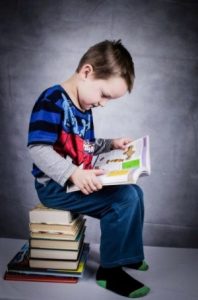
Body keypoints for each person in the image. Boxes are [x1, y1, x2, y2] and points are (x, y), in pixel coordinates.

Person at [27, 40, 150, 298]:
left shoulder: (84, 107)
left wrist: (110, 144)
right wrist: (72, 173)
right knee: (123, 200)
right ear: (86, 72)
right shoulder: (52, 101)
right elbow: (37, 149)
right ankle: (110, 270)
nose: (103, 103)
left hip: (75, 181)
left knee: (134, 192)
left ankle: (128, 254)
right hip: (55, 187)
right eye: (104, 94)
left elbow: (87, 146)